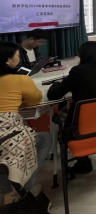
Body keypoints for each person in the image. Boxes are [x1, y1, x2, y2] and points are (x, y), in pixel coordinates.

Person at [48, 42, 96, 175]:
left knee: (64, 117)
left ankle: (83, 162)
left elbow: (54, 95)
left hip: (84, 126)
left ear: (82, 55)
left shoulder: (78, 71)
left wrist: (56, 83)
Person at [0, 42, 52, 210]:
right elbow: (35, 99)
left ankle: (9, 189)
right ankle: (26, 187)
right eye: (17, 55)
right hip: (8, 138)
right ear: (8, 60)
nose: (19, 58)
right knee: (45, 139)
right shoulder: (20, 79)